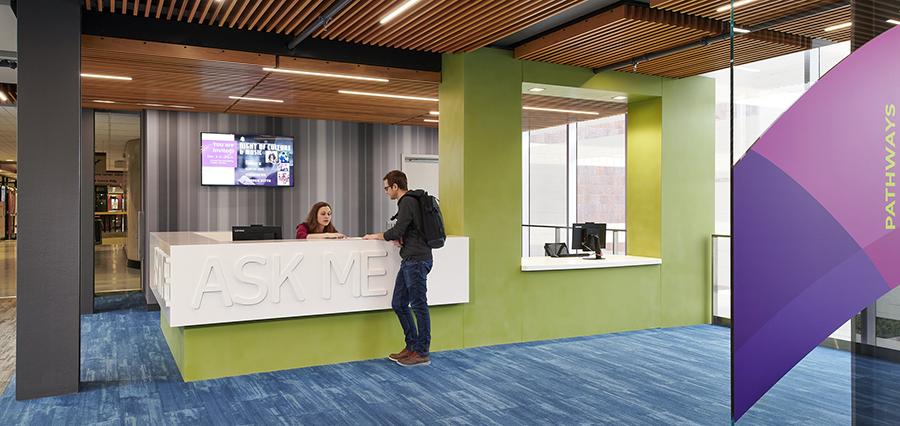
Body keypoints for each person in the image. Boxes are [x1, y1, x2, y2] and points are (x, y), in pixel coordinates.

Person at [364, 170, 433, 367]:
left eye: (387, 188)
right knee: (398, 303)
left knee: (419, 305)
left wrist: (376, 236)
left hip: (417, 261)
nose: (386, 192)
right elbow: (409, 230)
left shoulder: (407, 201)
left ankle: (422, 351)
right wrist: (401, 239)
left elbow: (398, 229)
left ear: (395, 186)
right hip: (411, 259)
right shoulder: (412, 202)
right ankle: (411, 346)